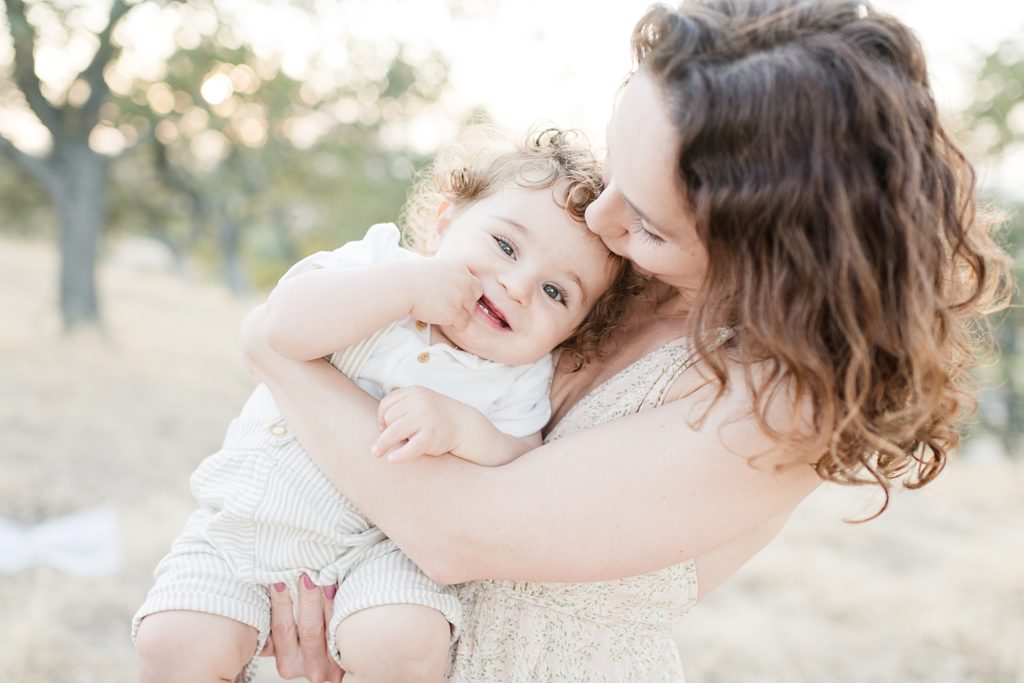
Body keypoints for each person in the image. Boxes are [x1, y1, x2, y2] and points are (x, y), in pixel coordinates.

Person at [242, 1, 1011, 681]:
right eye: (613, 172)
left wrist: (277, 352)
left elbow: (455, 532)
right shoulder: (597, 263)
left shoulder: (780, 404)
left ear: (766, 251)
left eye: (646, 222)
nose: (600, 223)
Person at [132, 128, 631, 683]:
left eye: (556, 292)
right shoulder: (372, 264)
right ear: (445, 221)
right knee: (172, 642)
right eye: (506, 247)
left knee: (403, 643)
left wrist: (462, 427)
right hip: (245, 520)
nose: (516, 285)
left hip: (381, 556)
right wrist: (407, 286)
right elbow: (283, 328)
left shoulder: (519, 376)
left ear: (575, 330)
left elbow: (519, 458)